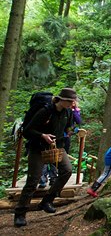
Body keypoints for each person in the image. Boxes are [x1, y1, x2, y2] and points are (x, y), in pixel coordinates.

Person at [14, 88, 78, 228]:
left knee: (67, 170)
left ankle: (47, 200)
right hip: (38, 148)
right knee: (33, 181)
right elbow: (27, 131)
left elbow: (68, 128)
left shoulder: (68, 112)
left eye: (72, 101)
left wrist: (68, 133)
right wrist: (42, 135)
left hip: (57, 147)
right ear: (60, 99)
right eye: (69, 101)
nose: (71, 104)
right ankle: (20, 214)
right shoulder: (46, 111)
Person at [38, 101, 82, 189]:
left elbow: (78, 121)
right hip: (47, 138)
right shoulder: (49, 111)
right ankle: (43, 180)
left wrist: (74, 111)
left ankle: (53, 179)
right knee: (46, 159)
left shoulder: (69, 111)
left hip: (62, 139)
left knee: (57, 159)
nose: (71, 103)